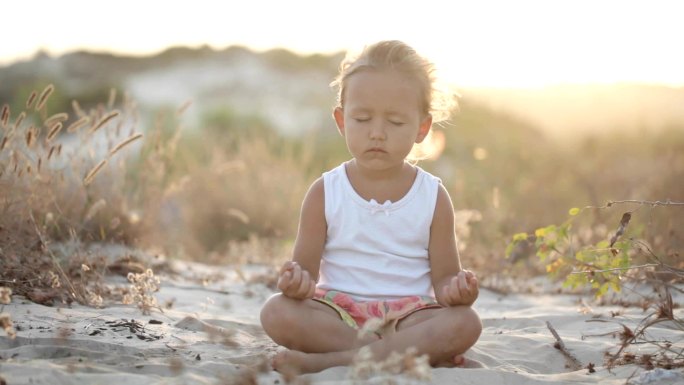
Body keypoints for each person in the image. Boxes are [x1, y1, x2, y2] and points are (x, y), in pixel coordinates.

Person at [259, 40, 482, 374]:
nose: (377, 133)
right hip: (337, 316)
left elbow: (445, 280)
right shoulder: (326, 191)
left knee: (466, 323)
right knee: (275, 312)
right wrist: (296, 281)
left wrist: (458, 290)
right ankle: (400, 355)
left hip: (410, 318)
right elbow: (304, 270)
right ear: (341, 121)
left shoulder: (432, 196)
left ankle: (334, 361)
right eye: (362, 119)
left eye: (395, 122)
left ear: (422, 127)